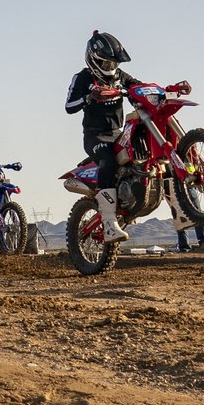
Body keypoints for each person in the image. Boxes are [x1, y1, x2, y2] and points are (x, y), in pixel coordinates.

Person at [64, 30, 132, 245]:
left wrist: (162, 91)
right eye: (107, 63)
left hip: (118, 133)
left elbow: (137, 86)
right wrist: (88, 97)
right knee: (108, 161)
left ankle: (181, 212)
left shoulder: (120, 76)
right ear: (94, 59)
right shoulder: (83, 77)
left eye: (114, 63)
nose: (111, 67)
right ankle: (109, 223)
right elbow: (69, 106)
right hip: (95, 136)